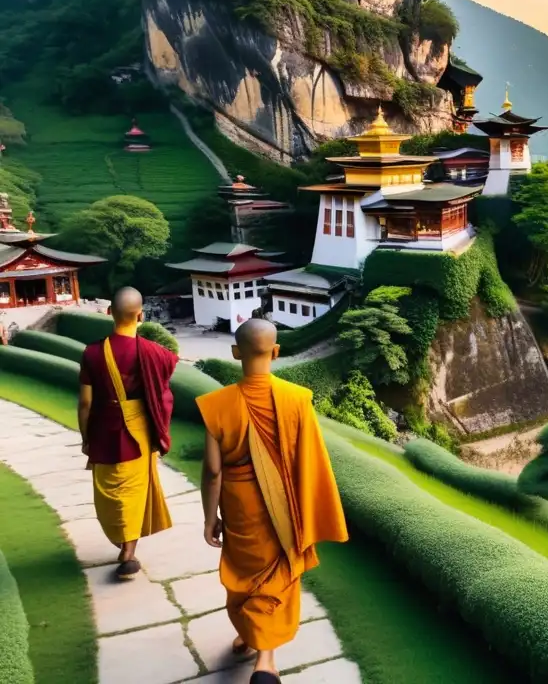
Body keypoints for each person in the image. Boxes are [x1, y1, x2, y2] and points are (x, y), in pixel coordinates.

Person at [197, 319, 348, 683]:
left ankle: (254, 644)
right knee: (276, 577)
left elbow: (213, 472)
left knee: (244, 573)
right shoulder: (297, 400)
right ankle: (265, 656)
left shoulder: (217, 405)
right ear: (276, 351)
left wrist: (209, 517)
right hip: (284, 510)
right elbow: (309, 463)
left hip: (239, 508)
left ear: (236, 353)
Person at [78, 287, 178, 579]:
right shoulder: (154, 353)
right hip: (139, 430)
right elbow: (163, 392)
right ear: (141, 316)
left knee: (111, 492)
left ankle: (126, 548)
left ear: (109, 312)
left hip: (103, 429)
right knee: (134, 491)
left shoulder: (93, 353)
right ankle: (129, 549)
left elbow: (85, 402)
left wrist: (85, 438)